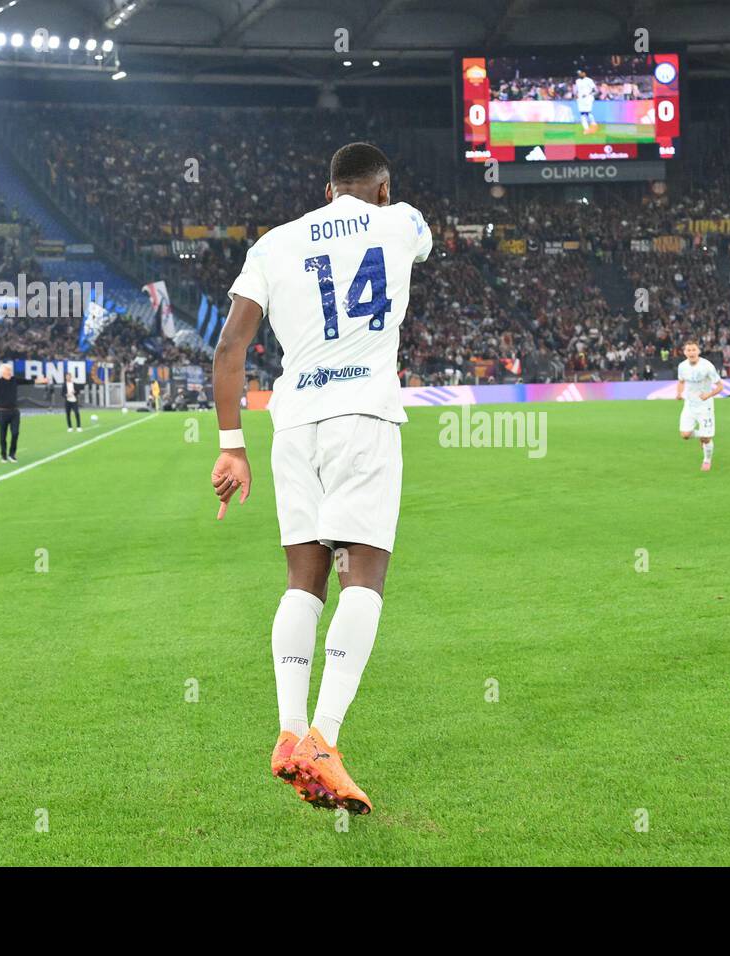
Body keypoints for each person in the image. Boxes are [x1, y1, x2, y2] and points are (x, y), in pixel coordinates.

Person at [210, 142, 431, 815]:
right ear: (383, 188)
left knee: (302, 581)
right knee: (362, 577)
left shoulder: (273, 244)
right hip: (362, 416)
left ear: (327, 188)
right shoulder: (402, 222)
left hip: (293, 420)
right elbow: (415, 246)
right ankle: (324, 739)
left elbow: (229, 348)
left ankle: (287, 729)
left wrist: (230, 447)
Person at [675, 340, 723, 472]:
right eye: (688, 350)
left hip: (705, 406)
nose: (691, 352)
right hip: (689, 405)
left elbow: (720, 386)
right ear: (685, 352)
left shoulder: (707, 366)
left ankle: (707, 461)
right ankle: (702, 436)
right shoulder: (682, 366)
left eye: (693, 350)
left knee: (706, 438)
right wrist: (679, 393)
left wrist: (709, 395)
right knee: (685, 435)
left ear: (698, 351)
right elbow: (681, 381)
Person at [574, 69, 598, 135]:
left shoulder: (589, 80)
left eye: (580, 73)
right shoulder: (577, 81)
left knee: (587, 113)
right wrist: (576, 95)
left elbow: (595, 90)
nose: (579, 75)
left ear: (584, 73)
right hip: (580, 99)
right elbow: (577, 90)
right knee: (582, 114)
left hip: (588, 98)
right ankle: (587, 129)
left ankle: (593, 125)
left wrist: (587, 94)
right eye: (578, 74)